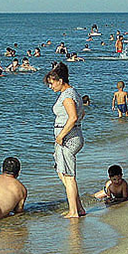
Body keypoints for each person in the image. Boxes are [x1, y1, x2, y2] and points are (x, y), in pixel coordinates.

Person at [45, 62, 86, 218]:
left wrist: (61, 135)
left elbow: (74, 117)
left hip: (68, 138)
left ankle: (74, 211)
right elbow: (81, 114)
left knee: (68, 176)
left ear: (60, 80)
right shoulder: (73, 93)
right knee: (63, 173)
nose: (51, 87)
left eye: (51, 83)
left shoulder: (67, 96)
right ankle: (79, 207)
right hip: (73, 135)